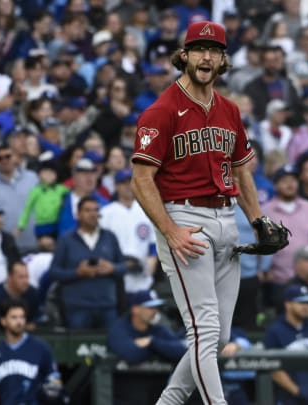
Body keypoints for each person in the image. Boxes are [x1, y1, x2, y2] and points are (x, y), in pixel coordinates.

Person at [130, 21, 267, 405]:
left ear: (223, 59)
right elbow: (141, 180)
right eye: (199, 48)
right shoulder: (162, 110)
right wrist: (171, 230)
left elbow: (241, 170)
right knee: (204, 332)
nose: (206, 56)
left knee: (219, 336)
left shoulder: (229, 110)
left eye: (214, 50)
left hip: (226, 219)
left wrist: (257, 220)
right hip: (184, 218)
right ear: (184, 55)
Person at [49, 196, 127, 329]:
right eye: (88, 210)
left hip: (107, 305)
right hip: (77, 307)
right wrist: (77, 272)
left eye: (96, 210)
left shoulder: (109, 237)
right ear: (78, 214)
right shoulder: (66, 240)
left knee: (112, 347)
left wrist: (111, 268)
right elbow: (54, 272)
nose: (93, 214)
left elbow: (123, 267)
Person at [0, 299, 66, 405]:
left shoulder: (40, 348)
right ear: (3, 321)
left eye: (22, 317)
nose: (19, 322)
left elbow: (54, 380)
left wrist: (54, 386)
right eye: (14, 317)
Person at [107, 290, 187, 405]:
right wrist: (161, 350)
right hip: (125, 394)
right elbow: (131, 355)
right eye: (150, 307)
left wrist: (152, 342)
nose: (155, 311)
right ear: (135, 309)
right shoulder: (119, 328)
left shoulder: (157, 330)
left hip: (156, 393)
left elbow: (182, 352)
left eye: (156, 307)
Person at [263, 285, 308, 405]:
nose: (306, 306)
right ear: (288, 304)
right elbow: (274, 369)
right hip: (289, 398)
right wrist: (298, 393)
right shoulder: (275, 331)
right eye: (301, 302)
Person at [100, 168, 158, 293]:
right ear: (116, 186)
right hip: (115, 275)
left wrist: (152, 260)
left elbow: (154, 243)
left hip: (142, 277)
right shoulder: (106, 213)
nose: (127, 186)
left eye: (130, 182)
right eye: (123, 183)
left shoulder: (147, 210)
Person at [0, 261, 41, 330]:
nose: (25, 281)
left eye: (27, 277)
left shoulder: (33, 294)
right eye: (21, 277)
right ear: (10, 277)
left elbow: (36, 320)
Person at [17, 156, 69, 240]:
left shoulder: (61, 189)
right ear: (39, 175)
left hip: (57, 224)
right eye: (45, 172)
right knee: (46, 244)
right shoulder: (35, 191)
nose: (48, 175)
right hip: (42, 226)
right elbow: (27, 208)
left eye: (51, 173)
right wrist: (21, 226)